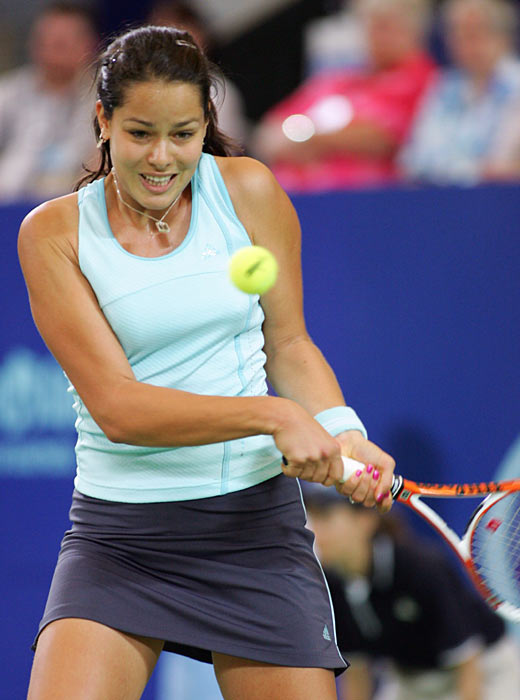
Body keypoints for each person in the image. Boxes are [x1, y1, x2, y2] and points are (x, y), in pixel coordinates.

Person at [18, 25, 396, 700]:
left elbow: (289, 344)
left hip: (253, 531)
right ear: (102, 121)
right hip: (120, 538)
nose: (162, 157)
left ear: (206, 127)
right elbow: (119, 409)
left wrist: (343, 430)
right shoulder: (54, 233)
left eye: (183, 134)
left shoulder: (248, 190)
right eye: (139, 133)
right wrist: (273, 415)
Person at [302, 482, 520, 700]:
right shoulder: (331, 584)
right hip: (410, 681)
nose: (315, 531)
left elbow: (468, 665)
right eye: (312, 518)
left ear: (364, 520)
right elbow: (357, 674)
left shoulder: (421, 568)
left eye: (326, 517)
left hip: (485, 670)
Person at [251, 0, 437, 192]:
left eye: (385, 26)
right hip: (292, 196)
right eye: (368, 25)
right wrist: (311, 139)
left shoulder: (422, 79)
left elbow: (381, 138)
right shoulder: (338, 81)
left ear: (414, 30)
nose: (374, 35)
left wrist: (308, 139)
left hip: (362, 199)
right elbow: (267, 134)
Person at [399, 0, 520, 184]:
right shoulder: (445, 86)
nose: (466, 43)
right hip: (443, 198)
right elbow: (416, 159)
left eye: (476, 33)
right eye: (458, 35)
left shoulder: (515, 85)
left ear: (503, 36)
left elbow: (503, 165)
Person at [0, 2, 98, 202]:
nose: (50, 53)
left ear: (87, 45)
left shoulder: (104, 101)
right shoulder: (8, 93)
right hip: (7, 204)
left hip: (71, 209)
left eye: (60, 44)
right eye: (43, 43)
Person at [147, 0, 249, 153]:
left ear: (201, 36)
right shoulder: (140, 88)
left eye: (181, 35)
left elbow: (224, 152)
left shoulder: (218, 91)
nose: (172, 46)